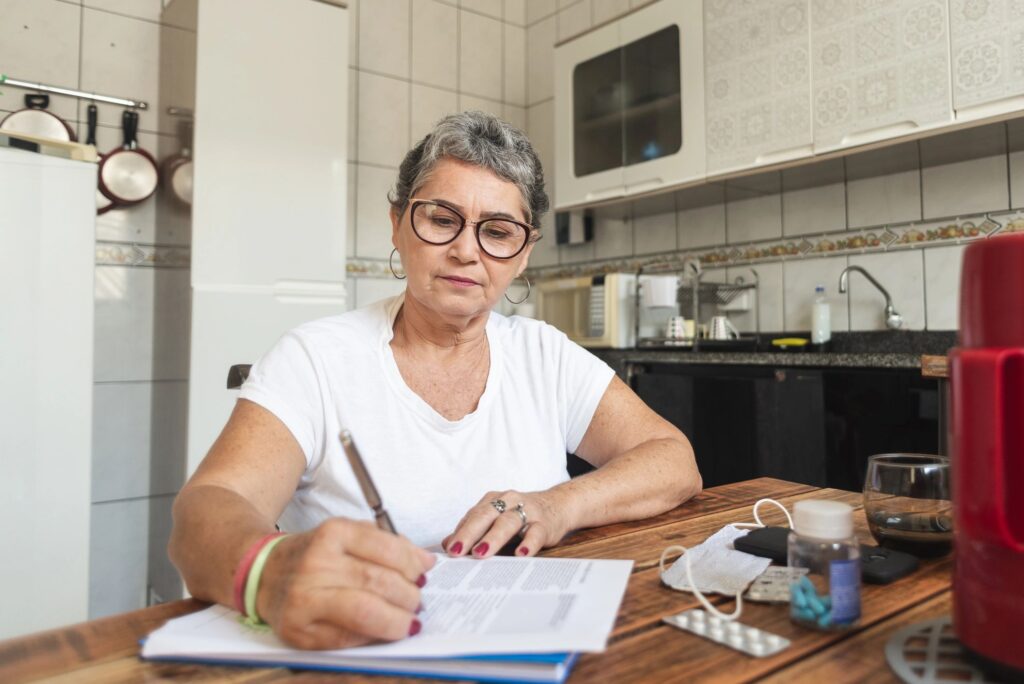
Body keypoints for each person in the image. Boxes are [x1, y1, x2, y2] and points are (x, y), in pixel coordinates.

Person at [168, 111, 701, 651]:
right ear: (398, 224)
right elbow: (206, 509)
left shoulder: (545, 356)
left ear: (523, 255)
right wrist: (270, 572)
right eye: (442, 220)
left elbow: (673, 459)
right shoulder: (317, 358)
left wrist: (557, 506)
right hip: (362, 649)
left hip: (519, 643)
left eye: (498, 231)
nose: (467, 251)